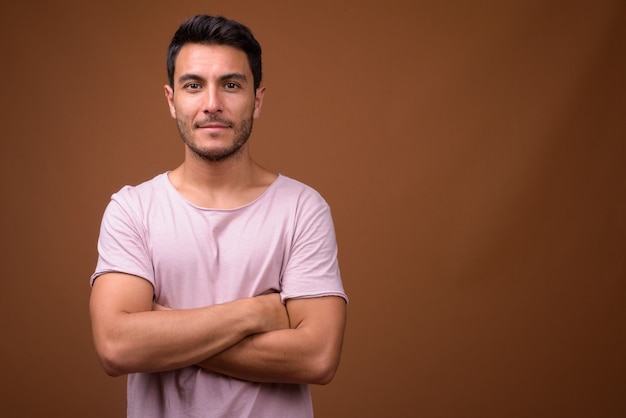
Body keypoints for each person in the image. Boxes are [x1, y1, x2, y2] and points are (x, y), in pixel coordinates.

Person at [89, 14, 348, 418]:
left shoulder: (302, 208)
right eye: (194, 85)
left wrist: (165, 333)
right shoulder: (133, 209)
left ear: (257, 100)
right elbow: (116, 346)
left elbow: (317, 357)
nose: (212, 104)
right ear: (171, 99)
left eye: (231, 85)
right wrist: (255, 313)